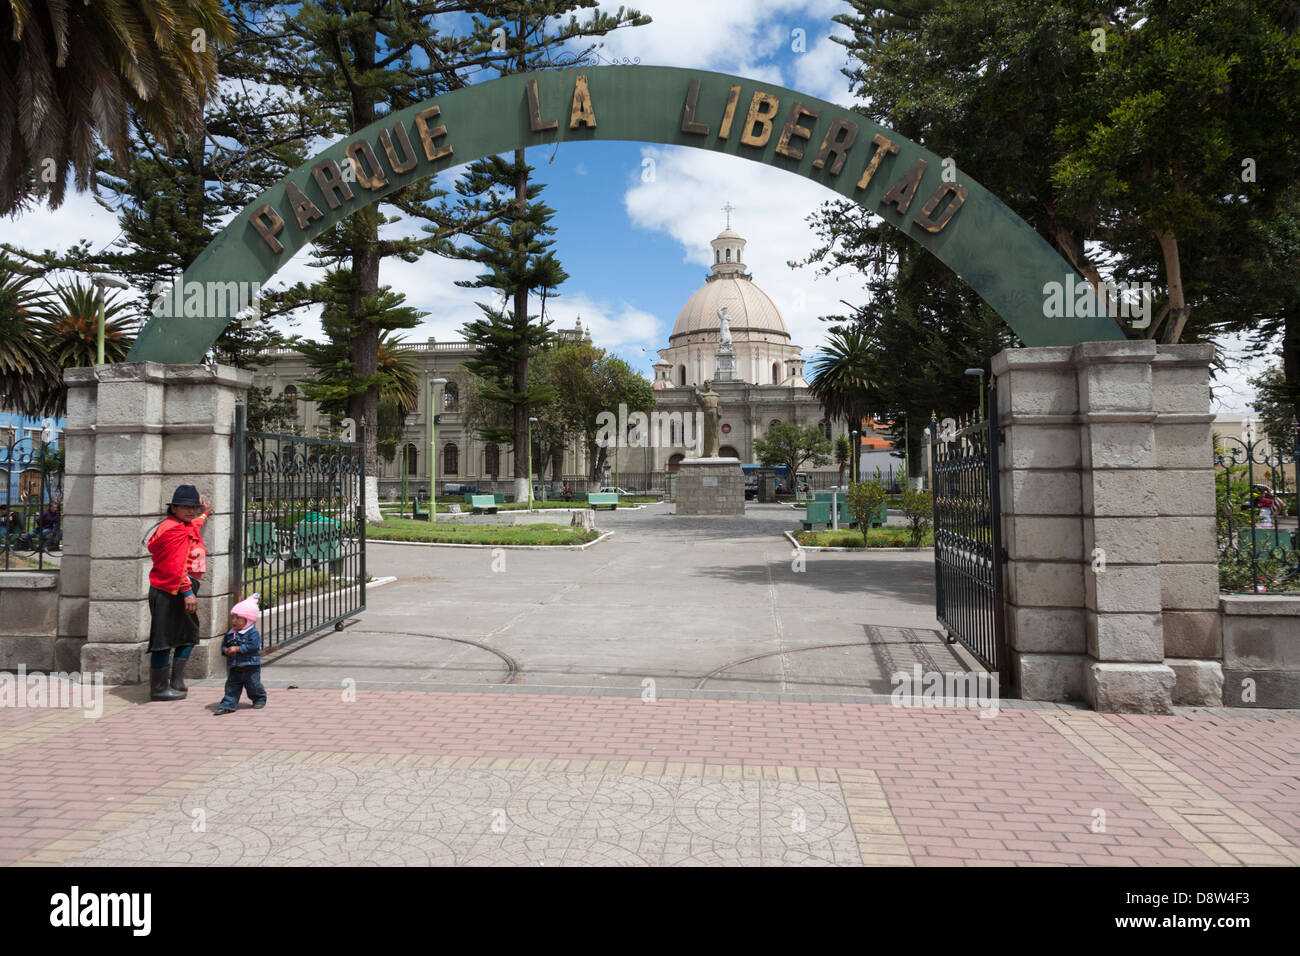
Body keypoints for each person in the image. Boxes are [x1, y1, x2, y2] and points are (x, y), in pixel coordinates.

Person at [145, 485, 211, 701]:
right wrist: (187, 592)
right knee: (164, 639)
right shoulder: (173, 529)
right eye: (185, 507)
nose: (191, 511)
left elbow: (194, 525)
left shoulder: (183, 525)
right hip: (172, 589)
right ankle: (159, 688)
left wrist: (204, 512)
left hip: (176, 588)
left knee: (188, 635)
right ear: (173, 507)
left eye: (194, 507)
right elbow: (176, 565)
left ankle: (176, 681)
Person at [215, 594, 266, 715]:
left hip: (250, 666)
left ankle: (259, 698)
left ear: (247, 621)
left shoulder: (252, 633)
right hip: (235, 666)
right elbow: (224, 645)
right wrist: (225, 651)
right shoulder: (230, 634)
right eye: (233, 617)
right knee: (231, 687)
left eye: (238, 618)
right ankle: (228, 704)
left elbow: (253, 646)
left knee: (253, 685)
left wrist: (238, 649)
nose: (234, 621)